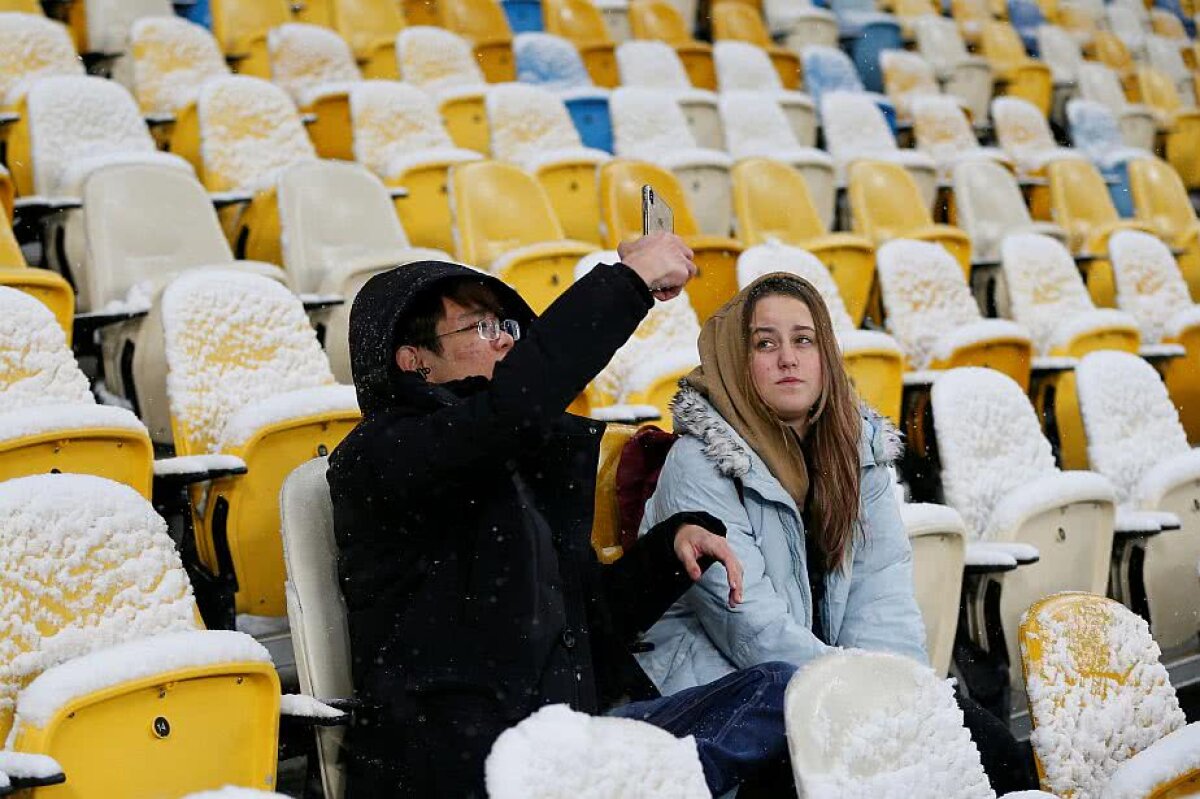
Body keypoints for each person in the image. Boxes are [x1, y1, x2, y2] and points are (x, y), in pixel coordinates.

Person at [326, 234, 795, 797]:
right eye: (480, 328)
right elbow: (516, 405)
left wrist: (666, 556)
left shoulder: (517, 461)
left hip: (575, 747)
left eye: (508, 328)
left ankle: (667, 782)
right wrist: (627, 283)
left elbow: (585, 634)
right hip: (468, 765)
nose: (504, 342)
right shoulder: (383, 454)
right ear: (414, 361)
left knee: (782, 696)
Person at [633, 272, 1039, 793]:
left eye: (804, 340)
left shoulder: (856, 453)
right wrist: (859, 698)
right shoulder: (699, 462)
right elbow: (752, 629)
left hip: (828, 679)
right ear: (738, 361)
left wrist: (902, 699)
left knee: (990, 752)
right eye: (765, 343)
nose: (788, 358)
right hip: (738, 697)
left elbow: (882, 595)